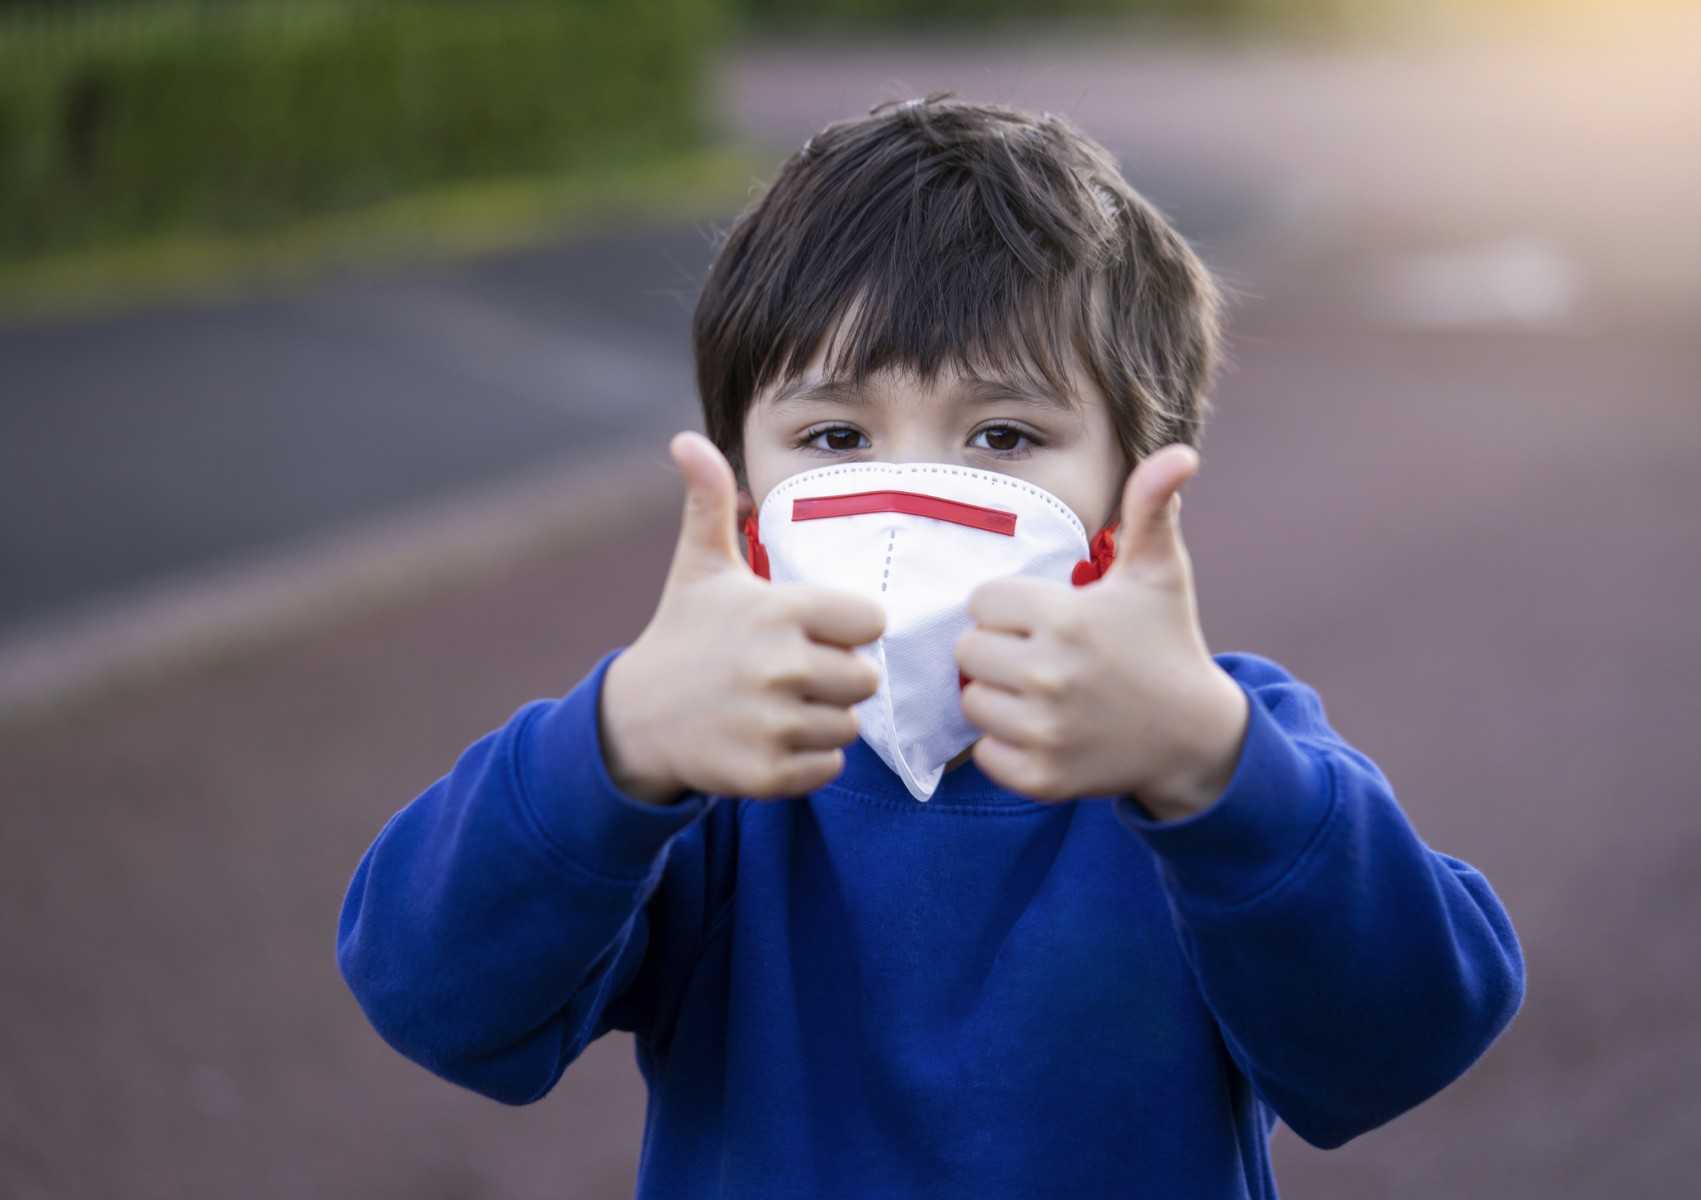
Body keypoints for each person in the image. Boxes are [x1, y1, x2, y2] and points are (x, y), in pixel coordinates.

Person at [336, 96, 1524, 1198]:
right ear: (746, 492)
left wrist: (1216, 773)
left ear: (1127, 489)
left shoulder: (1210, 742)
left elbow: (1402, 1040)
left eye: (1004, 434)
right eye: (836, 434)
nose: (912, 498)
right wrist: (617, 744)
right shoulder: (707, 759)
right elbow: (435, 997)